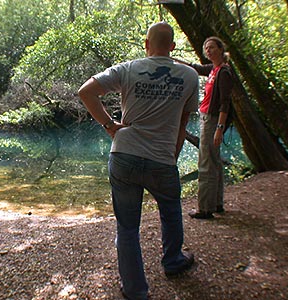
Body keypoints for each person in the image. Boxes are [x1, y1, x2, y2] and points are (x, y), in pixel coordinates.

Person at [78, 22, 199, 300]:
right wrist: (172, 157)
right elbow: (182, 123)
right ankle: (173, 262)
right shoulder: (190, 76)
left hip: (124, 155)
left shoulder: (128, 68)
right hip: (162, 159)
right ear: (172, 46)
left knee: (128, 226)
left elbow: (86, 92)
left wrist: (110, 125)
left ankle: (135, 290)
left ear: (146, 44)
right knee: (170, 211)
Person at [186, 37, 234, 219]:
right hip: (208, 118)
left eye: (212, 47)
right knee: (214, 161)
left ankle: (205, 208)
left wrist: (219, 128)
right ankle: (217, 203)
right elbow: (196, 68)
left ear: (221, 49)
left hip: (212, 120)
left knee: (206, 163)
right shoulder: (214, 69)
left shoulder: (224, 73)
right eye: (206, 48)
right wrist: (171, 60)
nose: (209, 51)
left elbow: (225, 104)